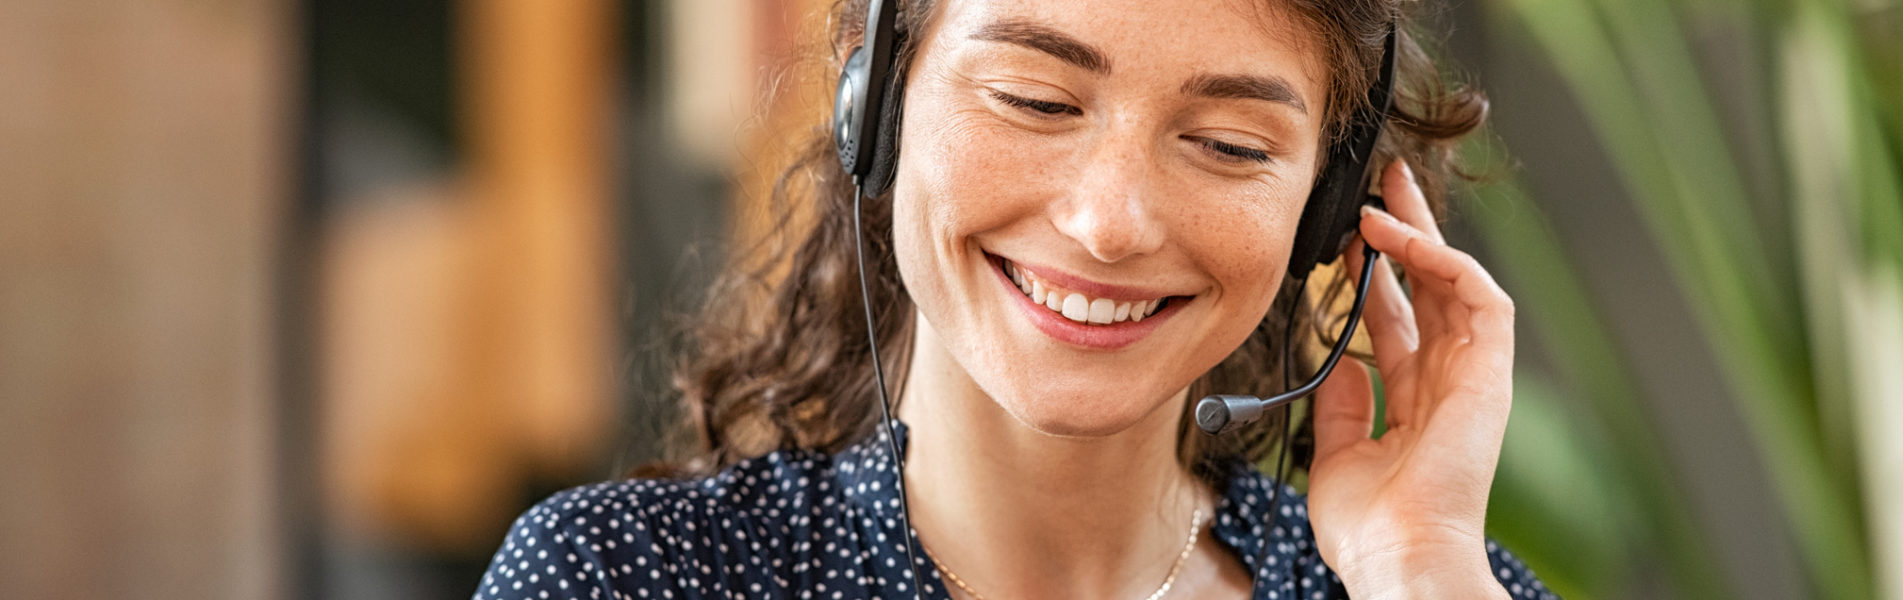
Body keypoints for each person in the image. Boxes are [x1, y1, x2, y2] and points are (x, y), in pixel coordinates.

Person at [477, 0, 1554, 598]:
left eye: (1227, 145)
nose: (1108, 221)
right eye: (1034, 99)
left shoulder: (1426, 584)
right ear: (874, 104)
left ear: (1324, 207)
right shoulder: (622, 578)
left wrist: (1418, 576)